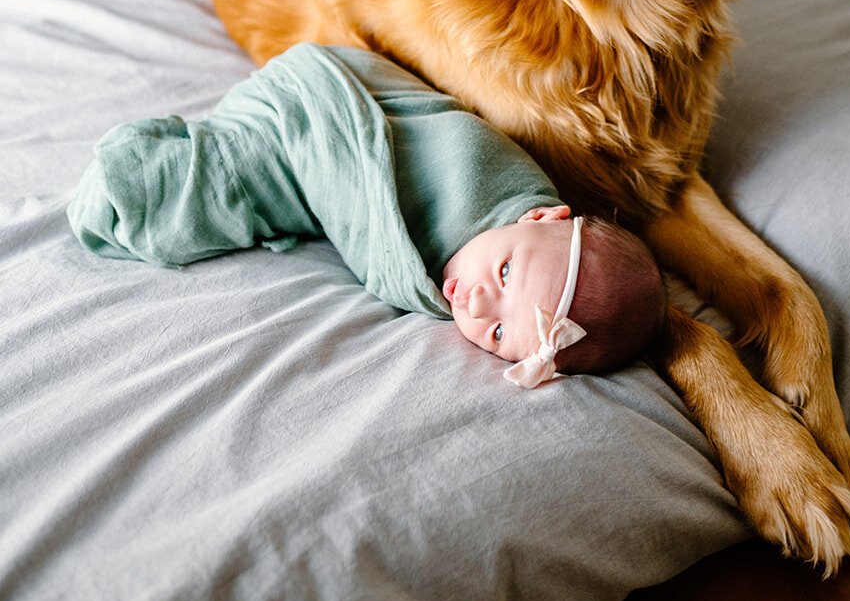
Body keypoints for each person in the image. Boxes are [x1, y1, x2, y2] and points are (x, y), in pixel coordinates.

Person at [68, 43, 665, 389]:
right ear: (542, 218)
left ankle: (158, 176)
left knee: (211, 206)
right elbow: (409, 146)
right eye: (506, 275)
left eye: (502, 336)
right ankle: (143, 170)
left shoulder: (491, 260)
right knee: (207, 181)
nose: (477, 304)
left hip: (317, 167)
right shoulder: (485, 175)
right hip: (329, 109)